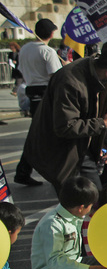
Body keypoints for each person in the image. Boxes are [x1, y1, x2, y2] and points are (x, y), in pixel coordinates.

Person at [23, 46, 107, 194]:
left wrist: (102, 143)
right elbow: (65, 126)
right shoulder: (70, 81)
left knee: (93, 196)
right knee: (79, 200)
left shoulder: (103, 78)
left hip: (82, 146)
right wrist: (103, 123)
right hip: (60, 151)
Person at [15, 18, 62, 186]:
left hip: (32, 91)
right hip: (45, 93)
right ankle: (30, 171)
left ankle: (24, 171)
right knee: (47, 135)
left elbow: (21, 70)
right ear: (51, 33)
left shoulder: (25, 48)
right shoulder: (47, 51)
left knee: (38, 134)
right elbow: (56, 77)